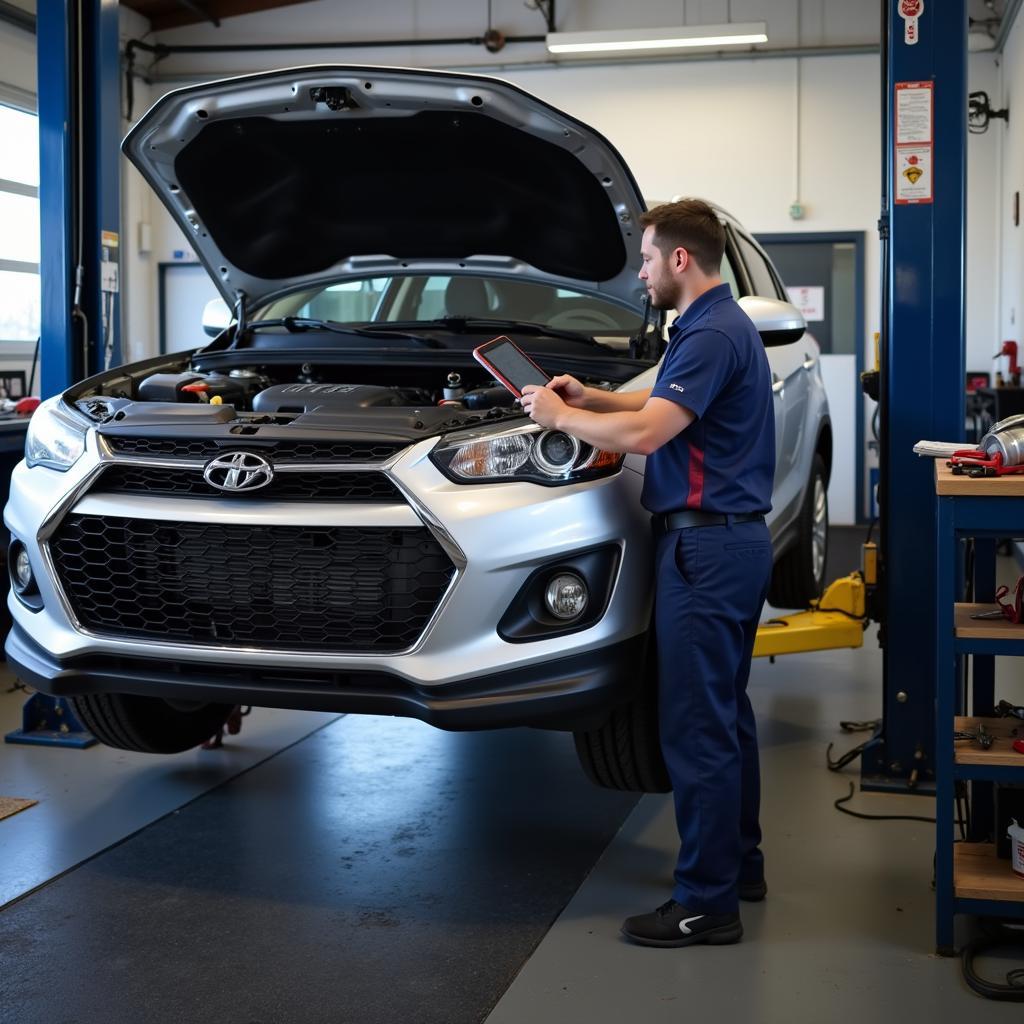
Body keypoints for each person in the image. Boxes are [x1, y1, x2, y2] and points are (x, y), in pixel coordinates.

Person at [521, 198, 775, 949]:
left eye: (646, 256)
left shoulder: (709, 333)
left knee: (696, 730)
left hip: (705, 551)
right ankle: (740, 866)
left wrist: (559, 420)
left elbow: (647, 431)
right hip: (728, 544)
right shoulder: (714, 328)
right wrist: (588, 395)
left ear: (681, 260)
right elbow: (654, 404)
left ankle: (705, 904)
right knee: (725, 717)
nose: (641, 271)